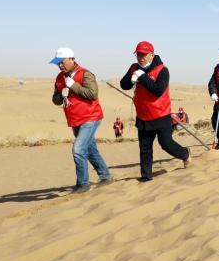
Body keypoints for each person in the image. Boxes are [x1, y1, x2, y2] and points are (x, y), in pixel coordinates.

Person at [121, 41, 191, 181]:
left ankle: (185, 154)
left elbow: (158, 91)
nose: (140, 57)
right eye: (138, 54)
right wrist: (131, 78)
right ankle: (146, 177)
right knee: (145, 148)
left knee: (165, 143)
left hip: (161, 115)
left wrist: (142, 77)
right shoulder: (134, 67)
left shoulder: (162, 70)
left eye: (144, 54)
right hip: (143, 115)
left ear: (152, 55)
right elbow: (124, 85)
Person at [50, 47, 113, 193]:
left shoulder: (85, 74)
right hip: (75, 119)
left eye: (62, 62)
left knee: (78, 149)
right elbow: (55, 100)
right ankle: (106, 176)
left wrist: (74, 86)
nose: (59, 65)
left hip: (90, 117)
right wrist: (61, 94)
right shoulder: (60, 78)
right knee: (90, 149)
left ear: (72, 59)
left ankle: (83, 184)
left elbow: (92, 94)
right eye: (57, 63)